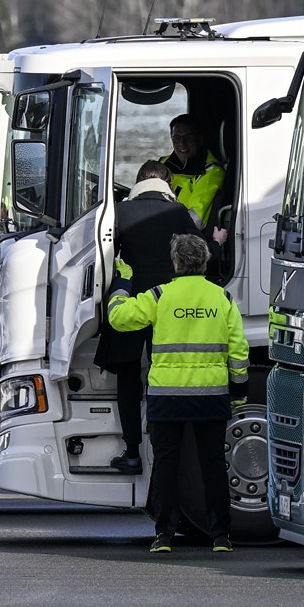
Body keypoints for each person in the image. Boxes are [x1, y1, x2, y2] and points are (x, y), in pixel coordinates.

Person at [106, 233, 247, 554]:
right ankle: (221, 537)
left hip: (167, 399)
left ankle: (163, 537)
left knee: (166, 466)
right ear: (204, 262)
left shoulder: (159, 296)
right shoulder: (222, 299)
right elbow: (238, 350)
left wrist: (123, 283)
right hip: (211, 398)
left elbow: (118, 318)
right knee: (212, 466)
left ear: (176, 263)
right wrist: (238, 389)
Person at [97, 161, 202, 475]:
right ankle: (164, 455)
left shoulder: (118, 211)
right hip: (168, 304)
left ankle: (131, 453)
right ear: (167, 182)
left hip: (130, 302)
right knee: (163, 378)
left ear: (138, 181)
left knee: (128, 379)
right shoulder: (179, 212)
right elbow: (201, 252)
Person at [159, 114, 225, 228]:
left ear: (200, 139)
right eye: (176, 138)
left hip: (182, 238)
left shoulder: (211, 172)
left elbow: (195, 220)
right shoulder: (163, 164)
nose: (181, 144)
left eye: (188, 138)